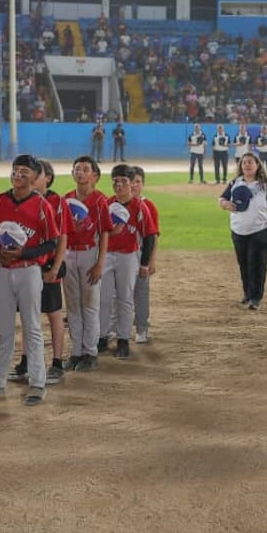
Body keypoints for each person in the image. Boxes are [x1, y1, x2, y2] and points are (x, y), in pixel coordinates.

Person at [0, 154, 59, 407]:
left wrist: (24, 253)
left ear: (35, 177)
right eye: (15, 170)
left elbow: (51, 242)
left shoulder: (42, 205)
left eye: (24, 171)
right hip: (3, 271)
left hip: (29, 271)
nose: (18, 175)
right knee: (4, 329)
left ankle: (38, 382)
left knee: (32, 326)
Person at [7, 161, 69, 384]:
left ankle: (57, 362)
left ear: (47, 178)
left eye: (36, 174)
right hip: (27, 263)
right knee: (27, 313)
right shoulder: (23, 199)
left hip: (49, 264)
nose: (31, 178)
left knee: (53, 313)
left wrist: (56, 268)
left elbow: (61, 238)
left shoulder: (56, 201)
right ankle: (25, 361)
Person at [97, 165, 155, 359]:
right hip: (107, 255)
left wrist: (144, 263)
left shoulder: (139, 206)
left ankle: (123, 339)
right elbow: (99, 231)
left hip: (129, 256)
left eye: (123, 181)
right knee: (104, 298)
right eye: (115, 181)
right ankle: (102, 336)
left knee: (125, 298)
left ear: (131, 184)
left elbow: (149, 236)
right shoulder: (107, 204)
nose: (119, 185)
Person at [62, 156, 109, 372]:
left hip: (90, 252)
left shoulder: (100, 201)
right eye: (77, 169)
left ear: (95, 176)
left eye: (85, 169)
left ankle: (90, 352)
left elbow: (104, 232)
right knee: (73, 304)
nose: (80, 172)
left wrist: (100, 262)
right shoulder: (66, 199)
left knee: (89, 304)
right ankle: (76, 352)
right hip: (69, 253)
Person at [220, 153, 267, 311]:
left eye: (250, 162)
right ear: (241, 166)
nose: (247, 165)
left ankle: (256, 297)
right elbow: (221, 199)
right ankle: (247, 293)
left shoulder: (266, 185)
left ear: (257, 165)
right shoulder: (235, 182)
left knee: (257, 265)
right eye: (244, 163)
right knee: (243, 264)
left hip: (260, 231)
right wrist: (225, 204)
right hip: (238, 230)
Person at [130, 167, 159, 342]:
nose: (134, 185)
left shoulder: (148, 206)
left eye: (138, 182)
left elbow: (153, 236)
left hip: (142, 255)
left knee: (141, 292)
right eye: (131, 181)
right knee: (117, 295)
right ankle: (116, 328)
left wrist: (151, 260)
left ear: (143, 184)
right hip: (121, 256)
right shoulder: (115, 203)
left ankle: (142, 328)